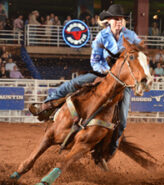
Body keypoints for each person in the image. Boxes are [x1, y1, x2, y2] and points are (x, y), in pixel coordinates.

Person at [29, 4, 142, 159]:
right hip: (102, 74)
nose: (118, 21)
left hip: (122, 82)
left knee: (122, 119)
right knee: (71, 84)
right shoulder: (101, 37)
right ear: (108, 21)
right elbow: (95, 60)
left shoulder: (132, 37)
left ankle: (111, 150)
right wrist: (107, 73)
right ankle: (46, 105)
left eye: (120, 19)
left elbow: (139, 56)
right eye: (115, 19)